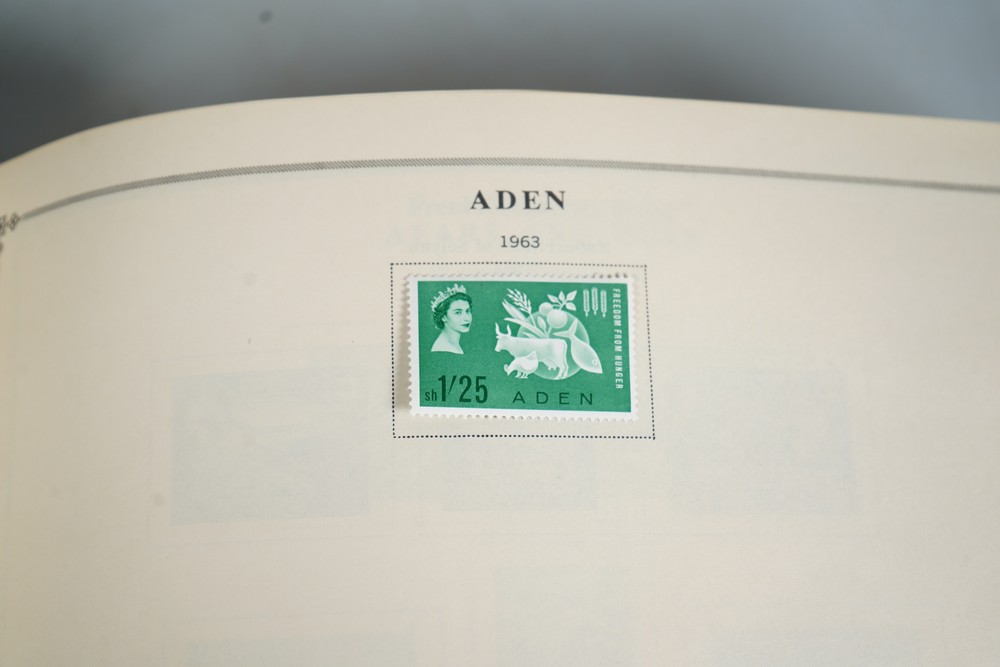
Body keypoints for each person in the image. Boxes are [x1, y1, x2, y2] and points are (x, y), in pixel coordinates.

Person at [431, 288, 473, 354]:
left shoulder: (454, 344)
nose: (467, 318)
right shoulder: (442, 349)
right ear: (443, 317)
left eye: (467, 311)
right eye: (458, 313)